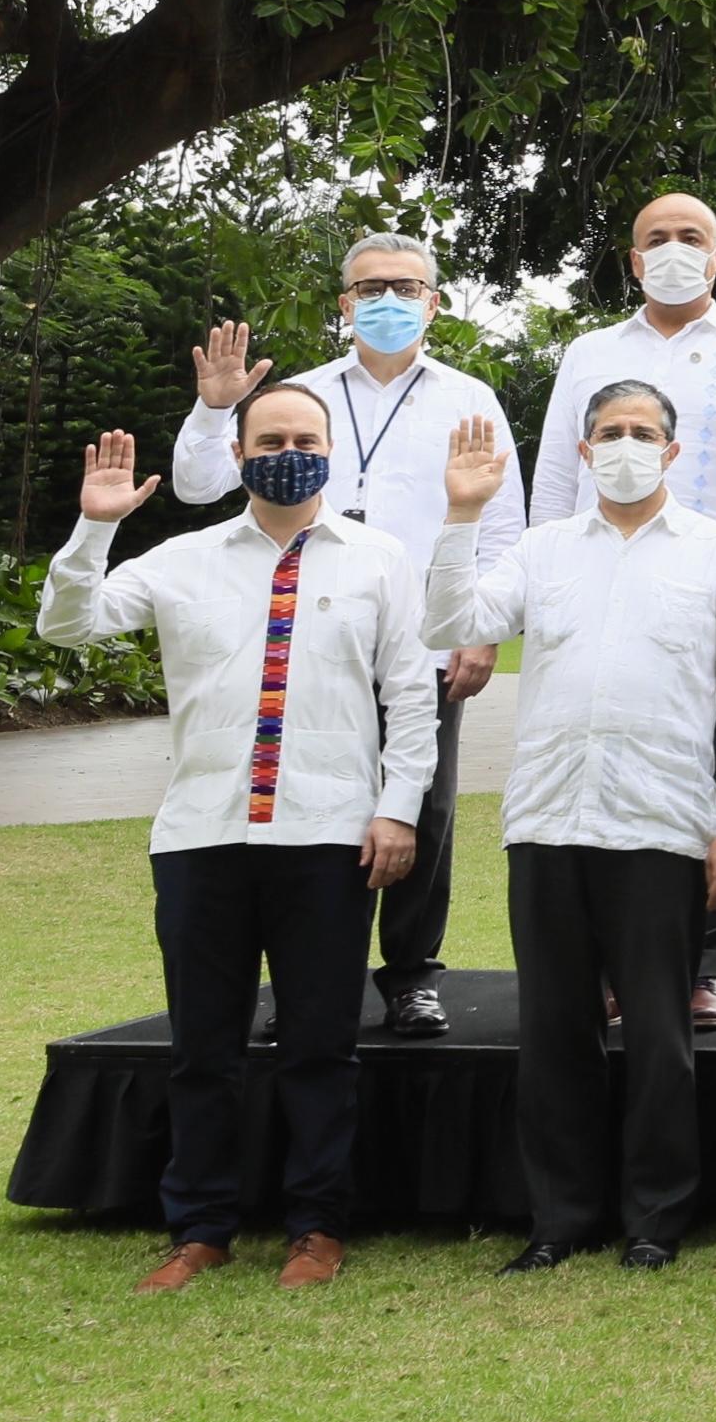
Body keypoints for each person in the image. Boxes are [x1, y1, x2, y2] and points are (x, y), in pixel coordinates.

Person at [35, 389, 433, 1292]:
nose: (289, 451)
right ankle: (200, 1228)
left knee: (320, 1044)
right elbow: (68, 623)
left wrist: (398, 807)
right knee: (202, 1046)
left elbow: (411, 694)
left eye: (305, 438)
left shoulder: (379, 558)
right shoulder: (185, 558)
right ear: (241, 453)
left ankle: (317, 1226)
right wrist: (95, 528)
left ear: (330, 450)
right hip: (202, 832)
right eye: (270, 439)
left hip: (328, 834)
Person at [418, 393, 716, 1271]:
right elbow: (449, 624)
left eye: (642, 434)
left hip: (662, 821)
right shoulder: (543, 549)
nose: (625, 446)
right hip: (550, 816)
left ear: (672, 449)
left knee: (659, 1034)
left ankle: (655, 1218)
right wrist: (461, 515)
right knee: (553, 1031)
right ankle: (560, 1217)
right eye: (609, 434)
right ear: (583, 451)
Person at [171, 232, 519, 1039]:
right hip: (309, 634)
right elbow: (197, 484)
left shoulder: (469, 397)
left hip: (423, 634)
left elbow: (504, 521)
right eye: (369, 288)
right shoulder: (303, 396)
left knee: (422, 807)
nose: (387, 300)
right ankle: (307, 981)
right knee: (306, 810)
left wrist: (482, 628)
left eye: (406, 286)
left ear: (434, 302)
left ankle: (411, 975)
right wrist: (215, 408)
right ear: (344, 302)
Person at [531, 192, 716, 1027]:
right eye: (658, 237)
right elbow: (557, 472)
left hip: (712, 586)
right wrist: (542, 575)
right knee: (605, 759)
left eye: (693, 237)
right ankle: (607, 963)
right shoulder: (591, 350)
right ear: (634, 258)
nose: (675, 248)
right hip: (597, 577)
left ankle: (701, 962)